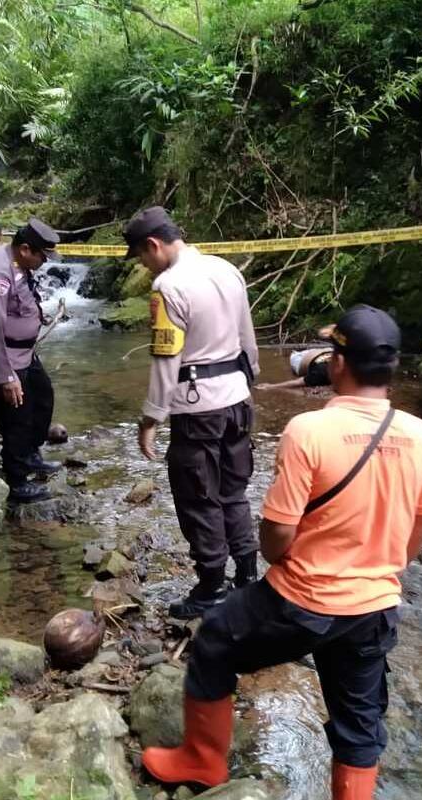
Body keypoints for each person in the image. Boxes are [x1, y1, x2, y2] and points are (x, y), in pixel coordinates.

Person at [142, 305, 422, 800]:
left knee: (215, 639)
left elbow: (276, 535)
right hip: (374, 607)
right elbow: (421, 525)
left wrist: (284, 558)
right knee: (359, 720)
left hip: (301, 601)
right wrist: (383, 567)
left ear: (339, 364)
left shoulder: (309, 431)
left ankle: (203, 761)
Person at [122, 206, 260, 619]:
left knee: (198, 499)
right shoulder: (227, 270)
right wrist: (248, 383)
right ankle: (248, 576)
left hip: (196, 409)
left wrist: (150, 419)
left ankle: (211, 588)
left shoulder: (168, 287)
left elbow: (166, 361)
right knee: (233, 491)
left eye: (143, 258)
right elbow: (247, 340)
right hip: (236, 401)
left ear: (154, 245)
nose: (145, 267)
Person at [0, 217, 62, 504]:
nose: (45, 263)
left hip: (24, 353)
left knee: (43, 397)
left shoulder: (18, 264)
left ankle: (30, 454)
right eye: (42, 257)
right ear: (25, 249)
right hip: (3, 358)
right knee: (16, 416)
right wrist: (5, 376)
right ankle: (17, 480)